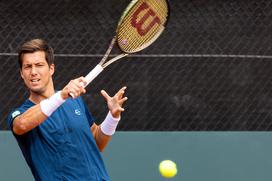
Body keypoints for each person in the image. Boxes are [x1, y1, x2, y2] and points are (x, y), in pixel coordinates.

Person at [7, 38, 128, 181]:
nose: (33, 72)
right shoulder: (21, 114)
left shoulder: (74, 101)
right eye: (27, 67)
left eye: (39, 65)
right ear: (21, 73)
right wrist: (62, 95)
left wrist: (112, 118)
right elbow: (21, 124)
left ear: (51, 69)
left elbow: (95, 143)